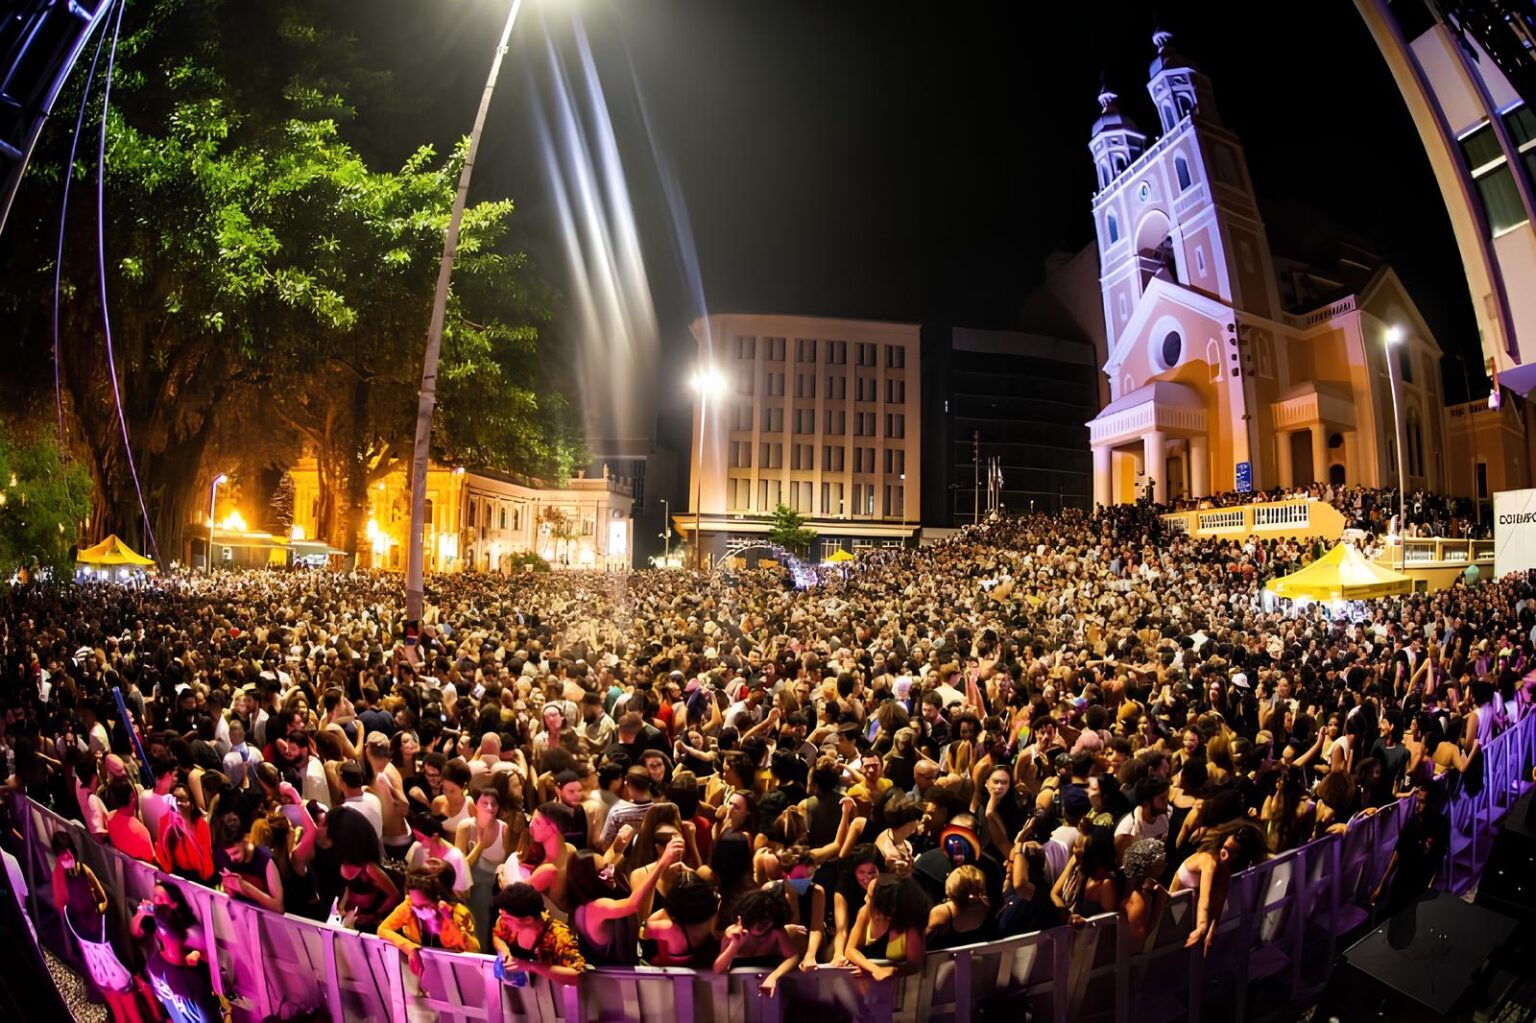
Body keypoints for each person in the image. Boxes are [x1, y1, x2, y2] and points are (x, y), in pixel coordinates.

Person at [568, 835, 684, 965]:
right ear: (588, 881)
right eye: (601, 871)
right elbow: (632, 904)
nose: (609, 872)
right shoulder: (594, 908)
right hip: (609, 982)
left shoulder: (594, 899)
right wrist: (662, 862)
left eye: (608, 866)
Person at [378, 871, 481, 981]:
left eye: (424, 905)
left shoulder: (457, 912)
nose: (418, 911)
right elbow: (382, 929)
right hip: (428, 973)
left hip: (460, 974)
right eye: (415, 904)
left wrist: (449, 921)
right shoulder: (410, 906)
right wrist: (410, 948)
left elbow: (473, 950)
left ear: (437, 900)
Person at [491, 882, 588, 988]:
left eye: (507, 918)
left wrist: (532, 966)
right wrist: (505, 952)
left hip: (555, 996)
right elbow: (497, 935)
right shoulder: (506, 922)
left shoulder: (558, 936)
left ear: (527, 920)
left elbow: (578, 976)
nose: (503, 920)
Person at [712, 887, 804, 997]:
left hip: (772, 988)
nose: (760, 926)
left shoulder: (776, 931)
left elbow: (793, 957)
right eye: (756, 920)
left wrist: (773, 977)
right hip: (740, 990)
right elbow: (718, 969)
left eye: (766, 921)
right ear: (747, 917)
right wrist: (735, 944)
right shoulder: (733, 932)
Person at [843, 874, 931, 982]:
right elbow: (850, 950)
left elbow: (915, 965)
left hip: (897, 987)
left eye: (870, 897)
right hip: (862, 984)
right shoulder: (865, 912)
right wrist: (873, 970)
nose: (865, 899)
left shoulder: (911, 926)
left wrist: (893, 972)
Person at [456, 784, 510, 945]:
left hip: (494, 891)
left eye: (494, 804)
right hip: (472, 890)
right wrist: (479, 846)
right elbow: (460, 867)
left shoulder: (504, 828)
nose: (489, 807)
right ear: (476, 806)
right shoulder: (466, 827)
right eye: (484, 803)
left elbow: (504, 862)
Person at [926, 863, 992, 950]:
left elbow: (919, 943)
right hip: (973, 960)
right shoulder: (985, 904)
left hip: (943, 962)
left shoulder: (942, 912)